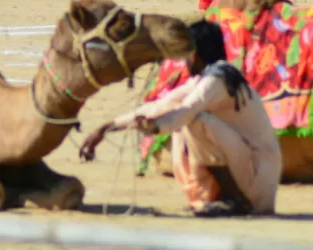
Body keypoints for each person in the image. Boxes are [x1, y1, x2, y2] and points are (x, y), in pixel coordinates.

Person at [80, 20, 281, 217]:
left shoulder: (217, 80)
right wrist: (107, 127)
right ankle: (215, 197)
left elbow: (186, 111)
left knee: (194, 120)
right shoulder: (208, 78)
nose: (184, 62)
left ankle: (233, 200)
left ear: (195, 55)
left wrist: (155, 126)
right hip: (252, 175)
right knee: (185, 116)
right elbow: (161, 105)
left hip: (257, 177)